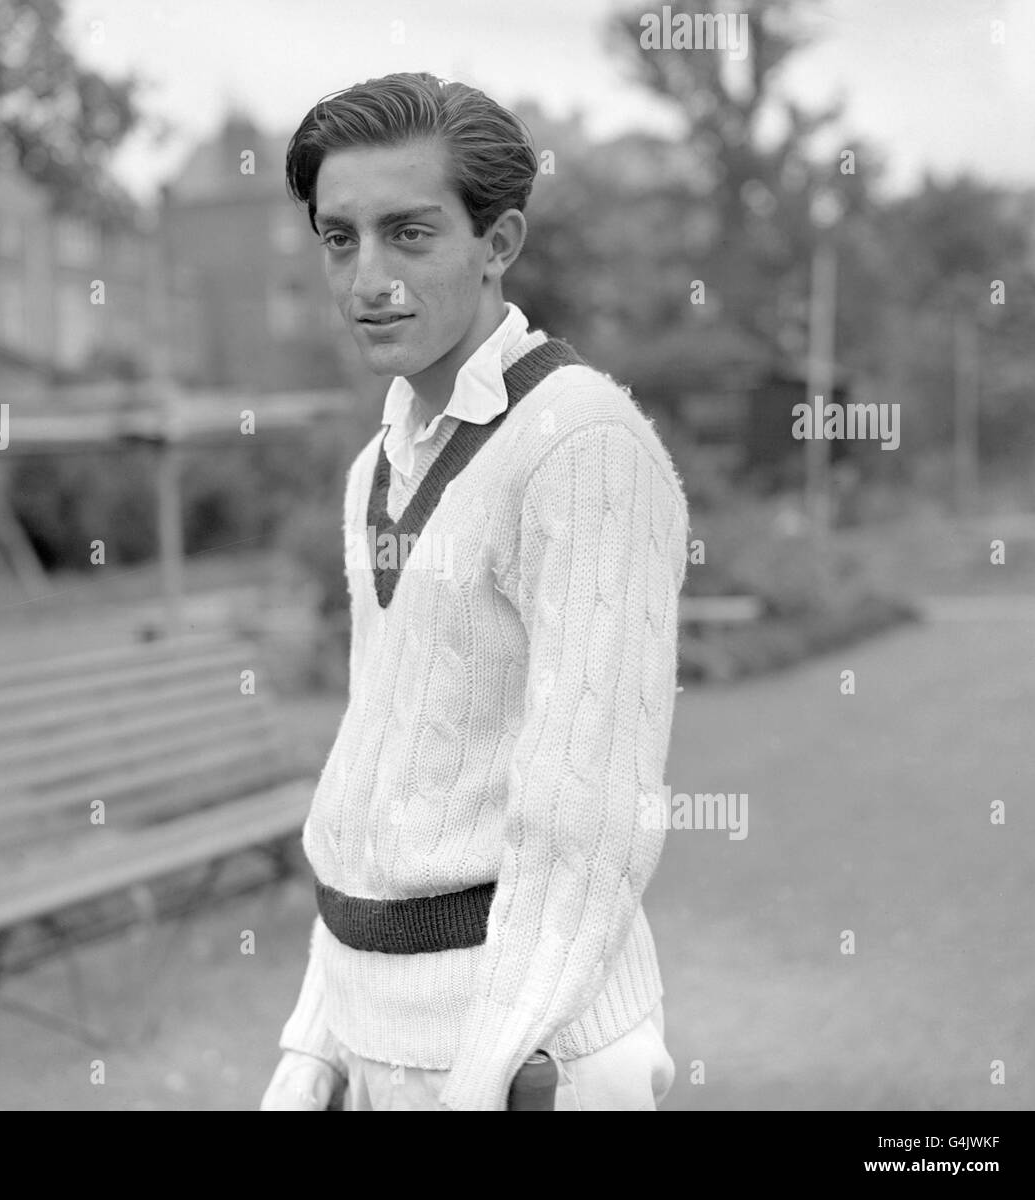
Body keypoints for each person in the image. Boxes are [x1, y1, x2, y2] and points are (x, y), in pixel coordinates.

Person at [260, 71, 689, 1111]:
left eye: (410, 235)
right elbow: (377, 776)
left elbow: (586, 813)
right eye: (339, 238)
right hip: (379, 1041)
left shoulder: (578, 444)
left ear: (497, 244)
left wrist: (490, 1065)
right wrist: (311, 1048)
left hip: (527, 1058)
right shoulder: (378, 469)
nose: (369, 277)